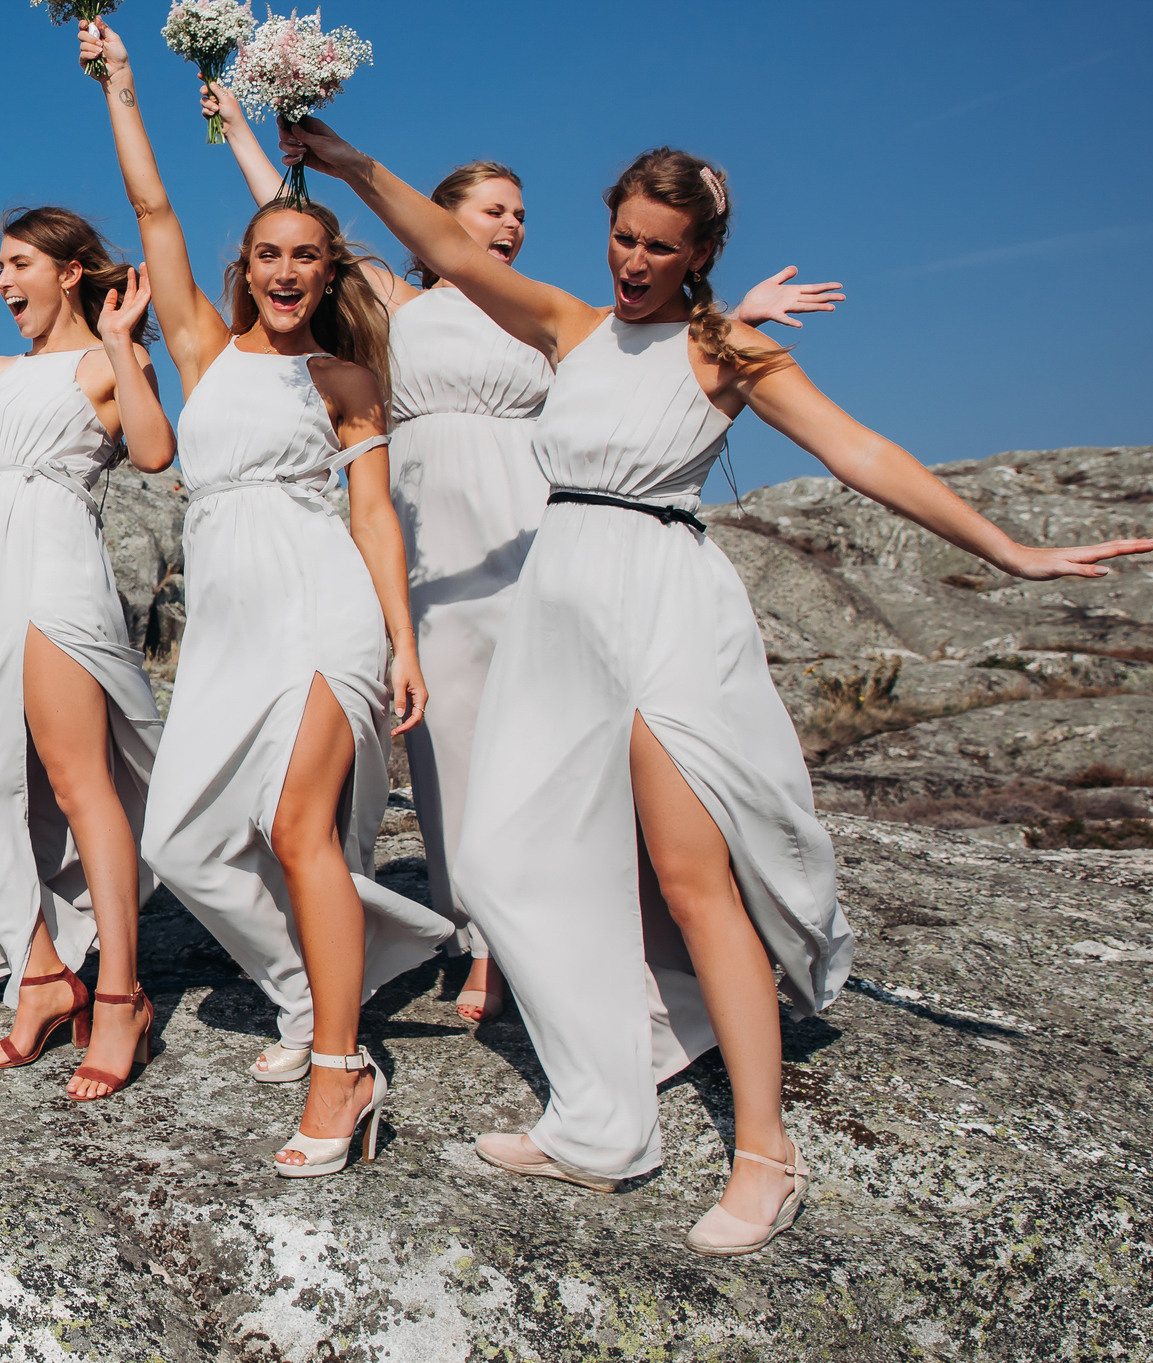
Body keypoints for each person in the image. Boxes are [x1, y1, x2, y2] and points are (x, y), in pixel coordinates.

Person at [286, 119, 1153, 1253]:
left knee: (694, 882)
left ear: (697, 255)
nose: (631, 261)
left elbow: (861, 453)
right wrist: (351, 164)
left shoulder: (724, 352)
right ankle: (602, 1121)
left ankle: (764, 1154)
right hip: (559, 609)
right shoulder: (572, 330)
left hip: (658, 609)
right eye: (620, 236)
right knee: (496, 864)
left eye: (658, 247)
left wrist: (1012, 552)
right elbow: (448, 252)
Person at [208, 84, 841, 1022]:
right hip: (433, 537)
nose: (512, 224)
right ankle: (478, 934)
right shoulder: (393, 300)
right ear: (446, 217)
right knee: (454, 741)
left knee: (551, 737)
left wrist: (736, 311)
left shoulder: (560, 315)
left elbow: (653, 360)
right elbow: (296, 222)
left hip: (537, 527)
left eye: (522, 213)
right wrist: (245, 129)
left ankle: (561, 933)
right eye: (493, 209)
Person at [80, 19, 451, 1172]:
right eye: (269, 254)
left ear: (330, 271)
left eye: (308, 256)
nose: (287, 271)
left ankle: (340, 1074)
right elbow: (150, 214)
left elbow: (374, 515)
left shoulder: (344, 376)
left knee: (299, 829)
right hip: (228, 621)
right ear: (247, 268)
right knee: (185, 845)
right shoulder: (202, 347)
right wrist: (123, 85)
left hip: (319, 609)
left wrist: (400, 640)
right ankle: (308, 987)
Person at [0, 204, 174, 1102]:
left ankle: (122, 993)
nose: (4, 282)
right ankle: (44, 969)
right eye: (2, 265)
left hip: (54, 563)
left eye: (18, 264)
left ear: (70, 271)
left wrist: (128, 343)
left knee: (77, 777)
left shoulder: (102, 364)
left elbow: (158, 452)